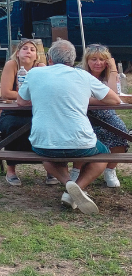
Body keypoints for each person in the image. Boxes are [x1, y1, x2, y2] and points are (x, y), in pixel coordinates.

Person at [17, 40, 121, 214]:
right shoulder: (83, 76)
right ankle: (76, 188)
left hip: (44, 142)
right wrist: (82, 99)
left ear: (49, 58)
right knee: (103, 156)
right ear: (73, 60)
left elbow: (20, 101)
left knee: (46, 156)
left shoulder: (35, 73)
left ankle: (68, 184)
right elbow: (114, 99)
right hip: (82, 143)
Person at [71, 44, 130, 188]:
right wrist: (102, 99)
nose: (98, 63)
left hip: (107, 113)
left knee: (120, 131)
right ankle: (76, 171)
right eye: (94, 59)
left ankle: (110, 170)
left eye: (103, 59)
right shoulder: (79, 72)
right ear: (87, 60)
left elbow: (113, 95)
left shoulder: (110, 73)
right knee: (82, 135)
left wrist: (113, 69)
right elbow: (78, 97)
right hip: (84, 113)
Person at [0, 39, 51, 186]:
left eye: (32, 50)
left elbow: (46, 92)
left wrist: (28, 97)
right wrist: (29, 96)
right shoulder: (12, 65)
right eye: (25, 48)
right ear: (18, 52)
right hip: (12, 112)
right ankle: (11, 169)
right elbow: (6, 93)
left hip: (36, 112)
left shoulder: (41, 67)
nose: (28, 51)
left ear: (36, 55)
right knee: (13, 127)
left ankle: (51, 168)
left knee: (48, 126)